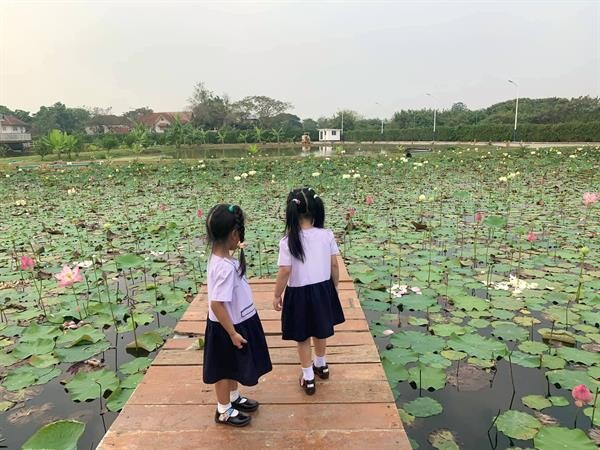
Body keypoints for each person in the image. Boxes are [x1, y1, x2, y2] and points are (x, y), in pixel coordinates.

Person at [203, 204, 272, 426]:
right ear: (234, 234)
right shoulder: (223, 268)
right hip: (226, 327)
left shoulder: (224, 260)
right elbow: (216, 304)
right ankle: (223, 409)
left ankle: (233, 398)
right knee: (223, 369)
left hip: (236, 322)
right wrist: (232, 332)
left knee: (233, 364)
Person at [273, 188, 345, 395]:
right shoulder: (326, 235)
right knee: (321, 329)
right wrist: (335, 286)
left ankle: (308, 377)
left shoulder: (288, 241)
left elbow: (285, 270)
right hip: (322, 290)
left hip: (299, 295)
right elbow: (334, 265)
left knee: (302, 337)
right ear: (316, 210)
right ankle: (321, 364)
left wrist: (277, 294)